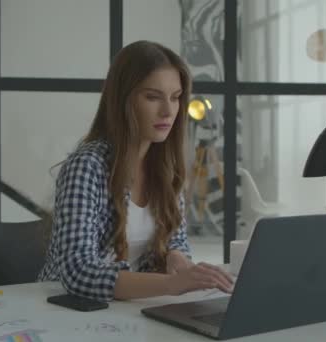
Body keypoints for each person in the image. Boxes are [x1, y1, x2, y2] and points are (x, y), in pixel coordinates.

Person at [38, 40, 233, 302]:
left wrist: (177, 258)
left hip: (126, 311)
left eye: (175, 98)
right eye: (153, 97)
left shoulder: (166, 167)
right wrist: (171, 284)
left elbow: (176, 240)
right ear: (123, 100)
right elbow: (77, 272)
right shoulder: (87, 167)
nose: (168, 111)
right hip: (66, 310)